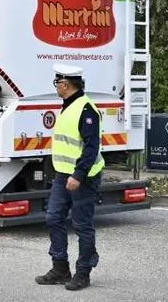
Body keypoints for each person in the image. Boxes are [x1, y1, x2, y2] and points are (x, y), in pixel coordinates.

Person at [35, 63, 104, 291]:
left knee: (82, 225)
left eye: (57, 83)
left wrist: (79, 174)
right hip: (63, 175)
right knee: (53, 217)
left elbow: (91, 147)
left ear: (65, 84)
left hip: (82, 177)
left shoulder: (86, 110)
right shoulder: (68, 106)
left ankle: (83, 273)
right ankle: (60, 269)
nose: (56, 87)